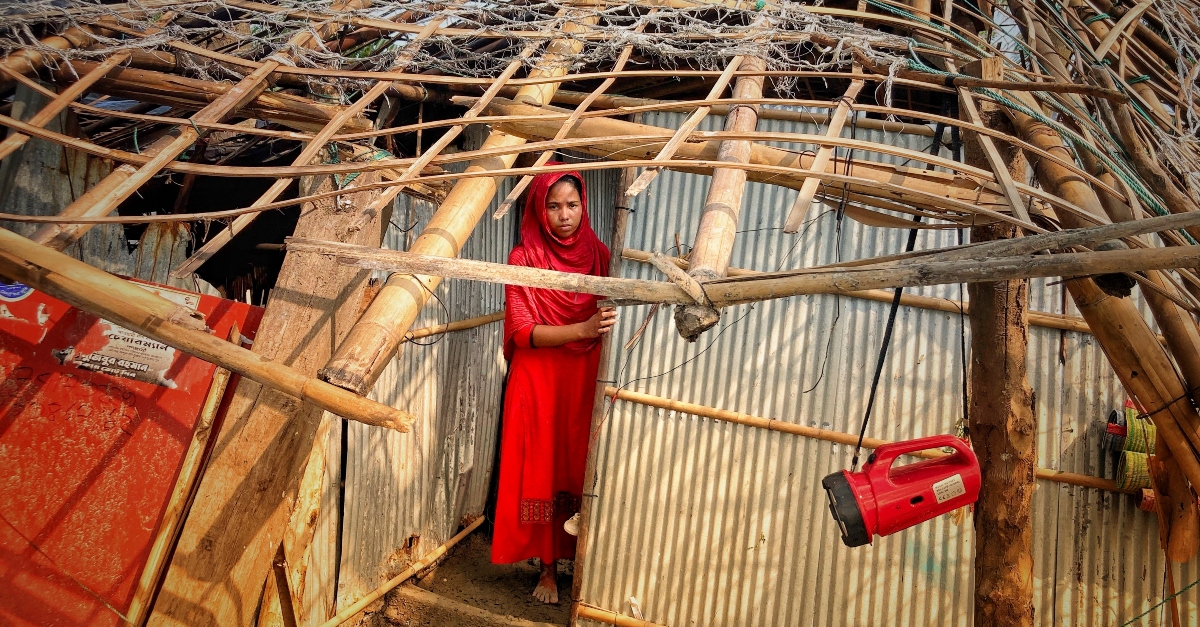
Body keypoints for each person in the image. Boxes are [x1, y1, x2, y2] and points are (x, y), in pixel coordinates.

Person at [491, 168, 617, 604]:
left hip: (584, 376)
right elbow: (524, 331)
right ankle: (546, 569)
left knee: (576, 464)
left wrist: (589, 331)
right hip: (538, 374)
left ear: (584, 207)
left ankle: (577, 562)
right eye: (554, 205)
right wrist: (583, 328)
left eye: (573, 205)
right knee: (540, 465)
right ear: (539, 210)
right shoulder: (522, 259)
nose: (565, 215)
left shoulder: (601, 254)